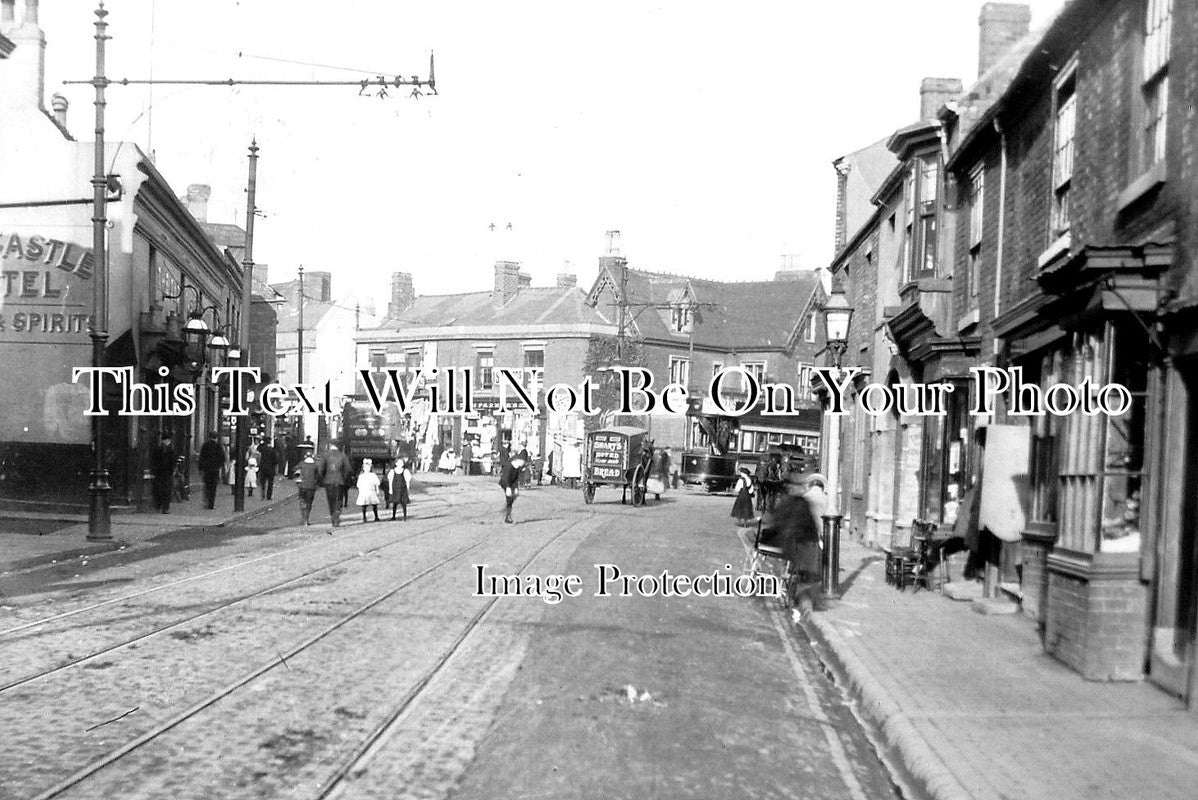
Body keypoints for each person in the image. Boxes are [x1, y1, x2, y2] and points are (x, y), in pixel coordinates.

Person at [764, 472, 824, 619]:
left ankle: (785, 591)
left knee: (784, 566)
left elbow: (776, 522)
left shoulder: (792, 502)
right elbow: (810, 525)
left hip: (790, 544)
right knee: (792, 572)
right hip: (802, 545)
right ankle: (790, 594)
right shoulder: (803, 502)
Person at [317, 443, 354, 528]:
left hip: (328, 482)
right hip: (339, 482)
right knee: (338, 499)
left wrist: (322, 478)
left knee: (331, 499)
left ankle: (333, 516)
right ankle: (337, 513)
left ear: (330, 445)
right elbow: (348, 469)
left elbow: (320, 469)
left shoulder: (325, 455)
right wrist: (343, 477)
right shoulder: (342, 455)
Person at [499, 447, 529, 524]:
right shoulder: (509, 467)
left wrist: (516, 488)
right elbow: (506, 478)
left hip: (511, 483)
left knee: (513, 496)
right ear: (519, 460)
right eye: (523, 462)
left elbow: (516, 478)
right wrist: (508, 488)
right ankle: (507, 516)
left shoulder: (518, 467)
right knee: (509, 497)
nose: (523, 464)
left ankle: (507, 511)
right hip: (505, 482)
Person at [198, 432, 226, 510]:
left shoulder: (205, 445)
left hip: (207, 470)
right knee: (213, 487)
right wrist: (219, 466)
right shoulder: (218, 446)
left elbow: (202, 457)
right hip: (215, 470)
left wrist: (201, 468)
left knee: (207, 486)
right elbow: (222, 458)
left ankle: (206, 502)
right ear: (216, 438)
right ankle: (211, 504)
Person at [293, 442, 320, 525]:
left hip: (302, 486)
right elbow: (318, 476)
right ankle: (307, 519)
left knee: (302, 501)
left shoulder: (302, 464)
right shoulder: (315, 465)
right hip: (311, 487)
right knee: (309, 503)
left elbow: (294, 469)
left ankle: (303, 517)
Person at [150, 434, 176, 514]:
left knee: (165, 490)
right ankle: (161, 506)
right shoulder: (160, 450)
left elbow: (173, 462)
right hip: (162, 473)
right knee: (162, 490)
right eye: (167, 440)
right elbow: (154, 460)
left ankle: (164, 507)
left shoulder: (170, 450)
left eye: (168, 440)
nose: (168, 442)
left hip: (165, 473)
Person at [356, 458, 382, 523]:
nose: (367, 469)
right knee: (364, 505)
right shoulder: (361, 476)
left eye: (368, 467)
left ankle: (376, 516)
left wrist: (377, 490)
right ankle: (364, 517)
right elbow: (359, 484)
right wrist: (360, 491)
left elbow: (377, 483)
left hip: (371, 491)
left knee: (374, 504)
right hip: (364, 491)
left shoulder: (373, 475)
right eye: (365, 467)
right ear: (363, 468)